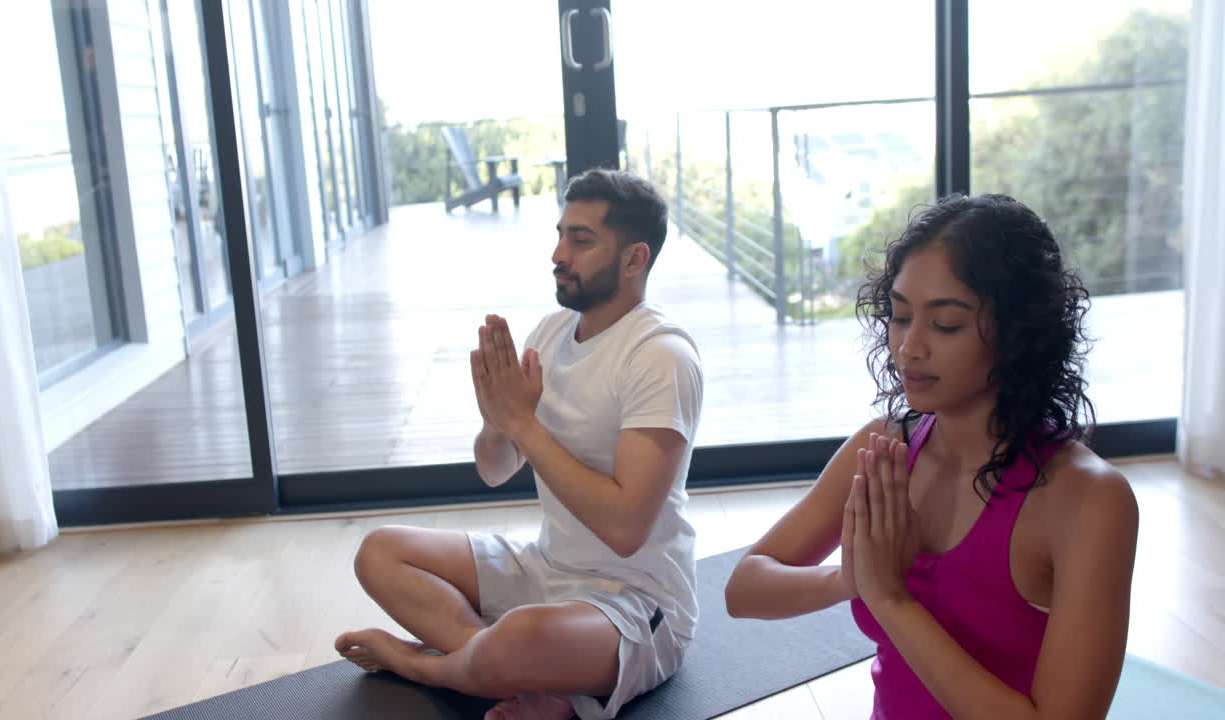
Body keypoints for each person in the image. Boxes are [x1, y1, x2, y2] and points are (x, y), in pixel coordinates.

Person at [724, 193, 1138, 719]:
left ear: (1018, 334)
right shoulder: (884, 449)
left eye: (945, 324)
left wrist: (892, 599)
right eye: (899, 316)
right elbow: (744, 588)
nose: (909, 347)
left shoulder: (1089, 501)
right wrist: (848, 579)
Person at [335, 169, 704, 720]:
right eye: (560, 234)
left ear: (634, 259)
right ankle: (511, 672)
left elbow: (626, 531)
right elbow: (494, 469)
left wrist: (523, 423)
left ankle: (426, 665)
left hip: (635, 601)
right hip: (546, 569)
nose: (559, 253)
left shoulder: (660, 356)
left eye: (580, 240)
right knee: (380, 552)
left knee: (521, 635)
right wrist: (497, 423)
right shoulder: (552, 334)